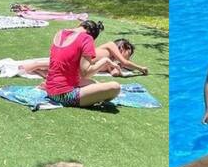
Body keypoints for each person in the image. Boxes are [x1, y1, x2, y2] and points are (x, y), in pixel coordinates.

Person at [42, 20, 121, 107]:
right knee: (115, 87)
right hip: (65, 96)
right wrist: (105, 61)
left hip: (50, 90)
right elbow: (85, 73)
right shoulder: (87, 38)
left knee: (93, 83)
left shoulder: (60, 33)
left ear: (80, 25)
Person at [19, 38, 149, 77]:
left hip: (82, 68)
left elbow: (115, 73)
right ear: (123, 47)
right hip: (79, 59)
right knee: (50, 64)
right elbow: (125, 61)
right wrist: (141, 68)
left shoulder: (112, 61)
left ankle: (37, 69)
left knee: (53, 74)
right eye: (129, 52)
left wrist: (119, 70)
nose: (128, 56)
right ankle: (24, 67)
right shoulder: (111, 46)